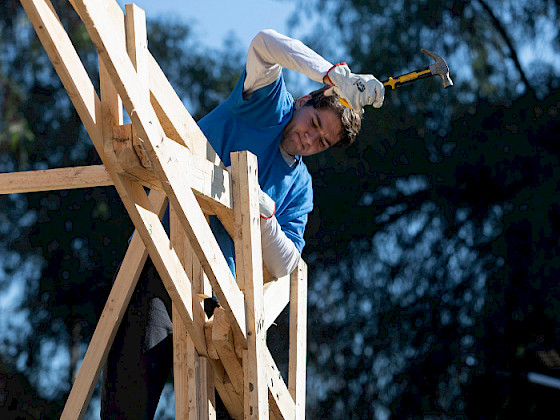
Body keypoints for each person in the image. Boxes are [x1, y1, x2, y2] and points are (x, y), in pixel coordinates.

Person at [101, 29, 384, 419]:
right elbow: (264, 44)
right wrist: (332, 74)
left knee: (236, 405)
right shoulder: (266, 105)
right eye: (315, 123)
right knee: (131, 389)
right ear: (305, 101)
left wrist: (261, 213)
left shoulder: (300, 187)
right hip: (167, 256)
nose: (310, 139)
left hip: (219, 295)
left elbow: (287, 264)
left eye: (322, 143)